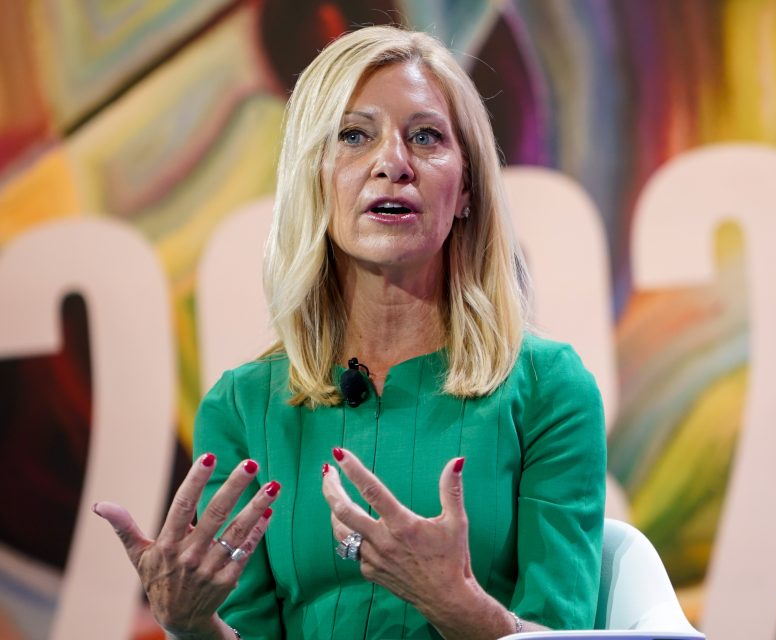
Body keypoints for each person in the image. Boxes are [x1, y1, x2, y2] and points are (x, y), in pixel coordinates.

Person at [94, 25, 606, 639]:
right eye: (355, 136)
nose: (393, 163)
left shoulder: (549, 389)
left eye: (426, 137)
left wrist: (453, 602)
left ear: (467, 188)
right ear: (314, 179)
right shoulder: (242, 408)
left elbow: (569, 633)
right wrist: (192, 623)